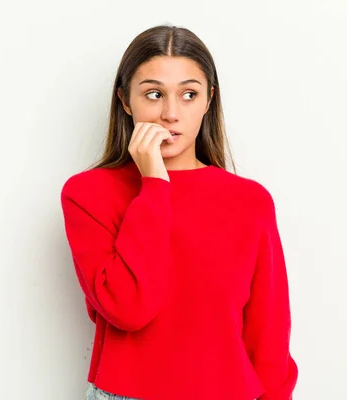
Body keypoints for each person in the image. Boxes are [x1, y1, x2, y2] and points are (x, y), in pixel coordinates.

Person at [60, 24, 298, 400]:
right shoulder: (88, 194)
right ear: (125, 101)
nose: (171, 114)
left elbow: (267, 333)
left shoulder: (249, 201)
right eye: (154, 94)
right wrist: (154, 184)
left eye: (189, 94)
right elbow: (129, 308)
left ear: (208, 101)